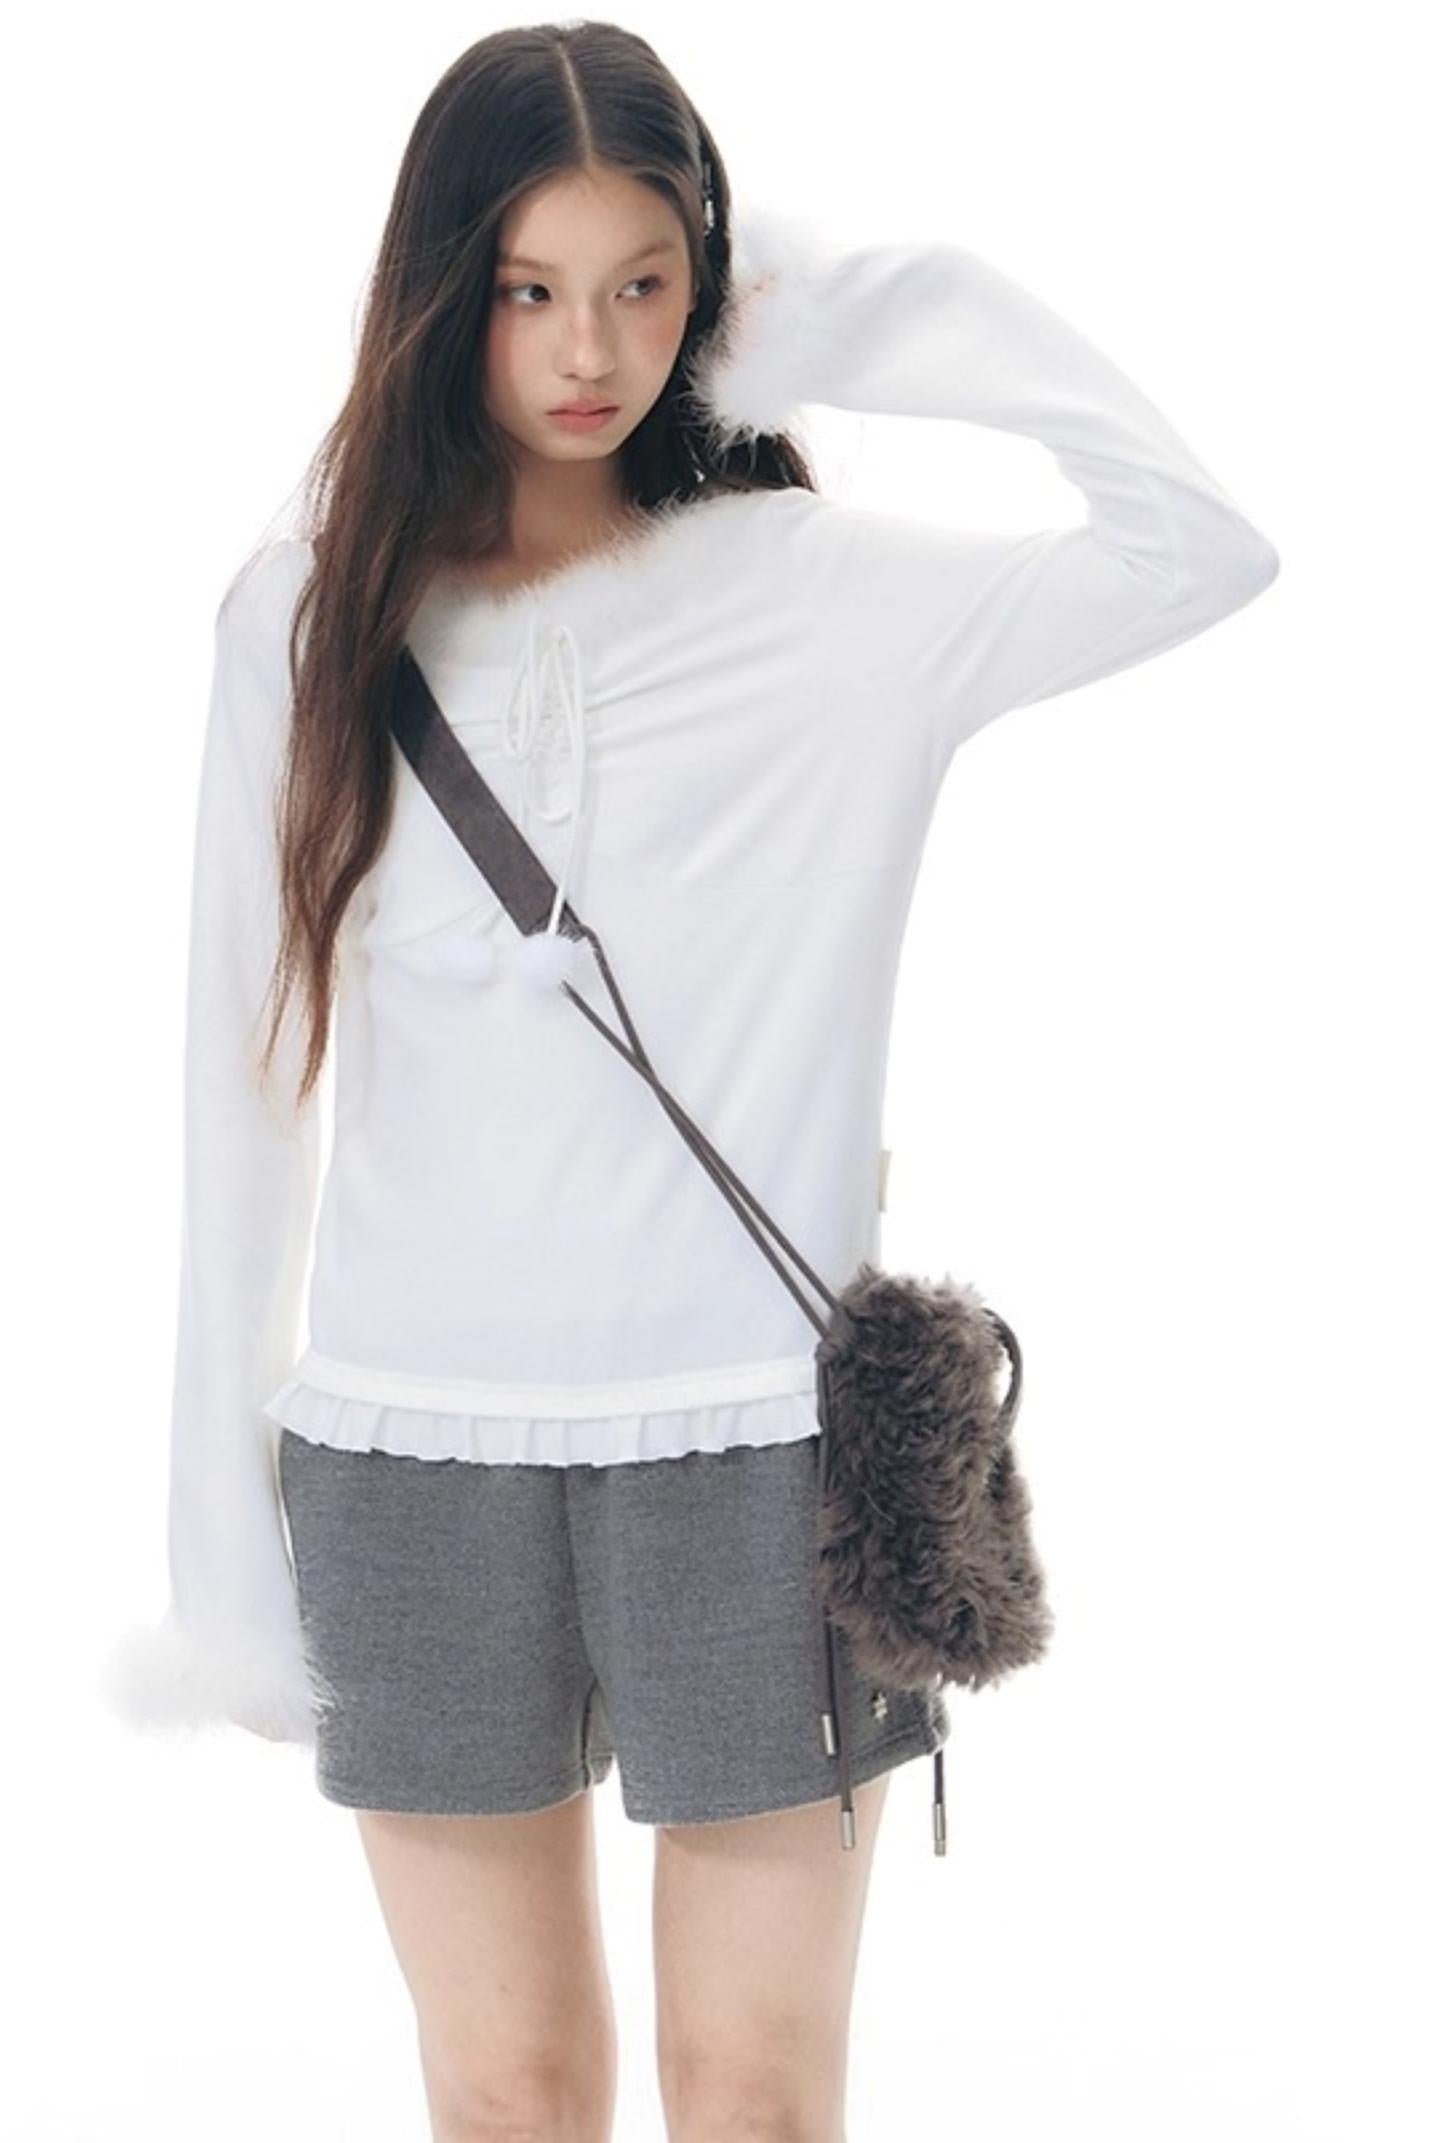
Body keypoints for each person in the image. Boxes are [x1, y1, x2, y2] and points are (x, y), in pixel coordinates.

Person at [100, 19, 1280, 2141]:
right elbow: (241, 1076)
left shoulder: (829, 600)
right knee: (509, 2092)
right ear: (439, 292)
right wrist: (218, 1545)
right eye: (528, 289)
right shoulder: (306, 619)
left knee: (752, 2098)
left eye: (645, 283)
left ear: (711, 284)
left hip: (760, 1457)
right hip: (409, 1453)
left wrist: (878, 311)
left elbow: (1197, 544)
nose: (590, 350)